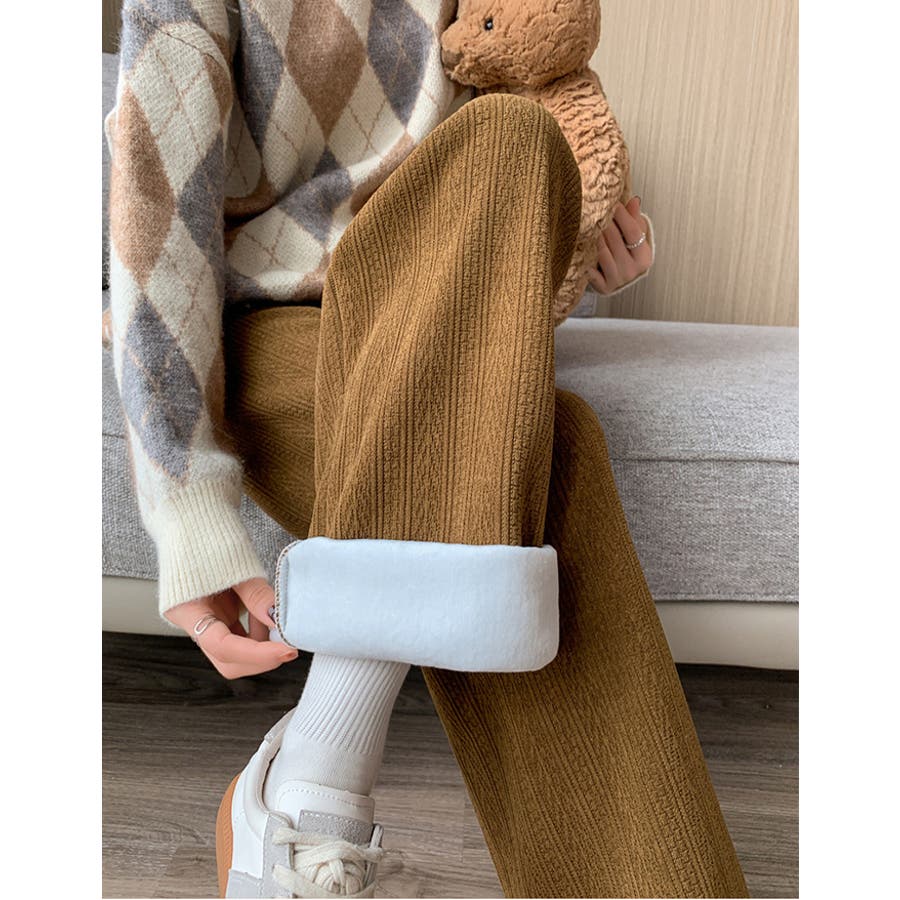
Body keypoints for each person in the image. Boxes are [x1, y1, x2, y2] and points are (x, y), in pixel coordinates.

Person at [104, 2, 746, 898]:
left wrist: (589, 235)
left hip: (434, 315)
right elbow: (156, 211)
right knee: (554, 449)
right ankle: (314, 787)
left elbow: (514, 162)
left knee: (513, 136)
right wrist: (186, 508)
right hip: (270, 327)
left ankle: (308, 782)